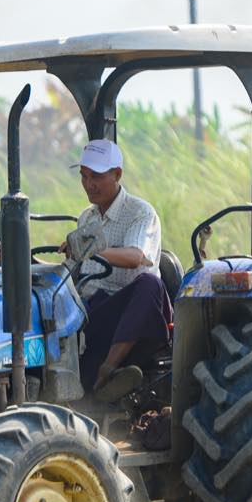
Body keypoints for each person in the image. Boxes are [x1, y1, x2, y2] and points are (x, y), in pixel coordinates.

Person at [63, 139, 172, 401]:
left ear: (117, 174)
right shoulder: (86, 217)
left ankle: (109, 369)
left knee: (149, 283)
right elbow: (70, 270)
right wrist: (12, 259)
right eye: (84, 176)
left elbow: (135, 257)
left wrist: (89, 249)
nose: (89, 185)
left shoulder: (140, 213)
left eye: (97, 176)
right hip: (97, 312)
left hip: (135, 314)